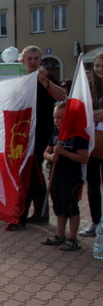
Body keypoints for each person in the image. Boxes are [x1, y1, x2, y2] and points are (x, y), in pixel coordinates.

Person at [9, 45, 67, 230]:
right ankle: (40, 213)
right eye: (29, 59)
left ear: (40, 59)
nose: (33, 62)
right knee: (34, 172)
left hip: (42, 132)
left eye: (36, 58)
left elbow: (62, 96)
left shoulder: (46, 77)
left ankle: (22, 217)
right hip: (24, 132)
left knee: (31, 172)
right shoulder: (23, 80)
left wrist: (46, 83)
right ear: (24, 61)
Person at [40, 102, 89, 250]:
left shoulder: (78, 136)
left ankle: (72, 238)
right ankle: (60, 235)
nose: (56, 121)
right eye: (55, 117)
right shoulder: (56, 135)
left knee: (71, 207)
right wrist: (50, 157)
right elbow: (46, 152)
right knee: (59, 206)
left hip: (71, 178)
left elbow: (84, 157)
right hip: (56, 177)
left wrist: (63, 152)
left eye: (60, 117)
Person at [83, 52, 103, 236]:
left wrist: (93, 113)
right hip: (94, 141)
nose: (99, 69)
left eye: (102, 66)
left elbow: (91, 113)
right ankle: (96, 222)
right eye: (97, 65)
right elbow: (84, 111)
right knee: (93, 184)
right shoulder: (90, 86)